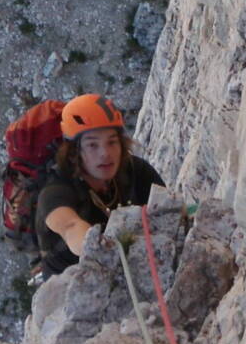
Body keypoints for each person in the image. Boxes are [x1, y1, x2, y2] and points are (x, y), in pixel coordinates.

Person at [34, 93, 164, 276]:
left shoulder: (136, 171)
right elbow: (69, 226)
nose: (105, 153)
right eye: (92, 145)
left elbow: (169, 210)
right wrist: (102, 249)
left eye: (112, 142)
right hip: (70, 285)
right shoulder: (56, 191)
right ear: (74, 152)